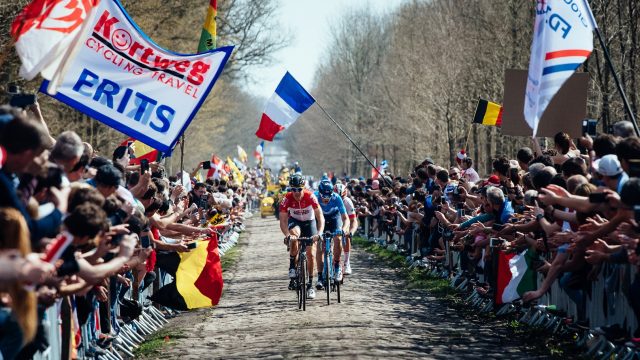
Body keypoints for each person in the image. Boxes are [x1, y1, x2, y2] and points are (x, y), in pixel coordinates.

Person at [279, 174, 324, 299]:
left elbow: (320, 216)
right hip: (295, 221)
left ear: (303, 188)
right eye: (293, 189)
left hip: (310, 223)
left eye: (299, 189)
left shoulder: (310, 196)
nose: (296, 192)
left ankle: (310, 285)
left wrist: (319, 233)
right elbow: (282, 220)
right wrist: (287, 235)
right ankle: (292, 266)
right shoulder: (287, 198)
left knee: (311, 254)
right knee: (294, 236)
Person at [314, 179, 349, 290]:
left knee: (338, 238)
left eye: (328, 197)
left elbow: (345, 218)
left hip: (334, 218)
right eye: (323, 197)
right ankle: (320, 276)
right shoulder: (314, 196)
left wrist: (343, 229)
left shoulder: (336, 197)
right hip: (320, 219)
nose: (325, 200)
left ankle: (337, 266)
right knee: (319, 247)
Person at [335, 183, 357, 275]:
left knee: (346, 235)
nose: (340, 200)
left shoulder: (347, 201)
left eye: (342, 198)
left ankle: (347, 262)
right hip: (334, 220)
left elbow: (353, 220)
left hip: (344, 221)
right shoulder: (330, 199)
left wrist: (351, 232)